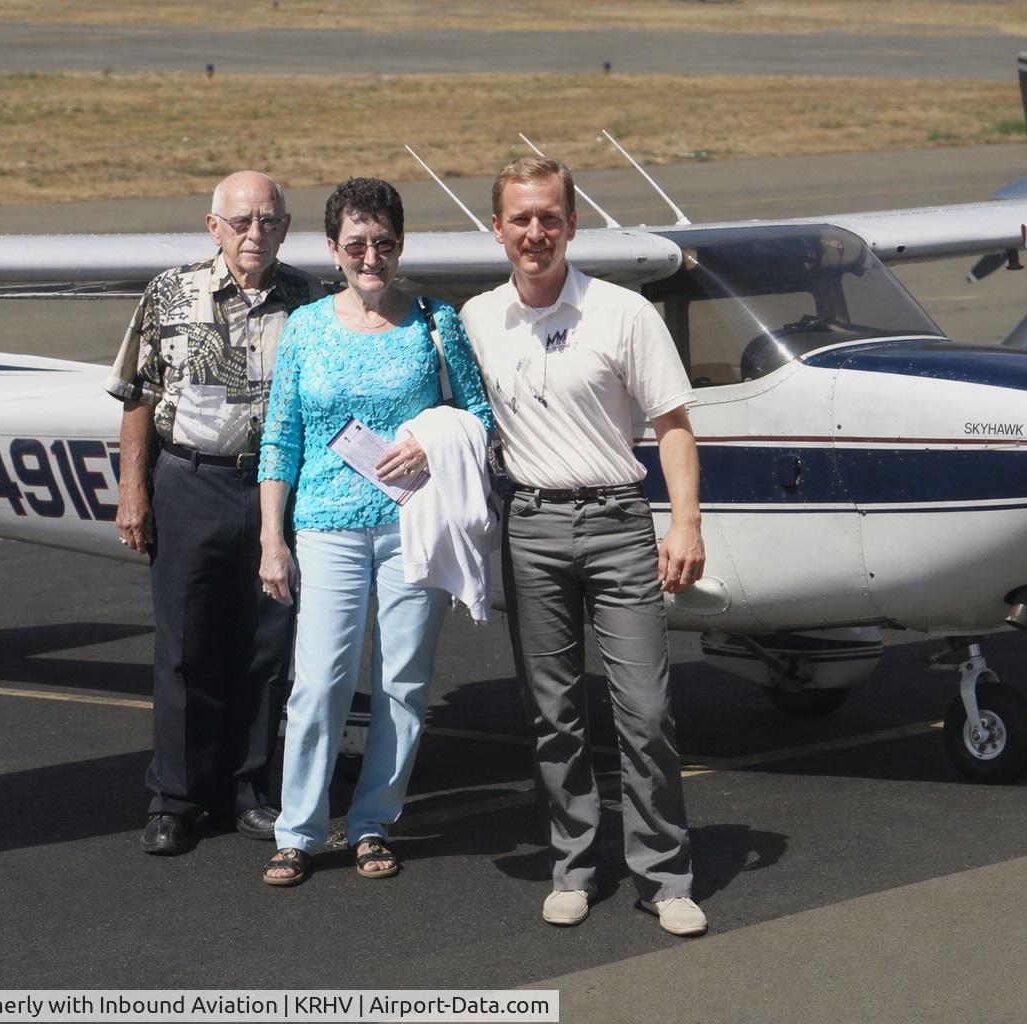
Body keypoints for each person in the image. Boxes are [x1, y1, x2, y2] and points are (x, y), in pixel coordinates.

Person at [459, 157, 709, 936]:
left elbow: (672, 426)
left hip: (617, 523)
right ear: (497, 228)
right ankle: (572, 863)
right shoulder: (475, 319)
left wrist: (686, 523)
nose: (535, 233)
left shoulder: (625, 312)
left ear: (572, 223)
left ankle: (664, 877)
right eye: (520, 219)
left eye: (549, 217)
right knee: (554, 713)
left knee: (645, 710)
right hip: (530, 527)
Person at [256, 177, 492, 886]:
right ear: (332, 249)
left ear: (400, 245)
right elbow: (281, 436)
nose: (371, 256)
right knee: (320, 682)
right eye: (356, 243)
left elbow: (481, 416)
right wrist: (272, 536)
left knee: (402, 683)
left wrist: (430, 439)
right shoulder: (305, 328)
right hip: (326, 527)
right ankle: (296, 829)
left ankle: (371, 823)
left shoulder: (433, 320)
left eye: (384, 242)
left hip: (412, 526)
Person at [106, 170, 326, 857]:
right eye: (240, 221)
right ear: (213, 227)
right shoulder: (169, 293)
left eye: (267, 221)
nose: (254, 234)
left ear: (286, 227)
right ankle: (176, 797)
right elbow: (136, 395)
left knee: (266, 646)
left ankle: (249, 791)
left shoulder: (311, 300)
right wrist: (133, 491)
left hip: (275, 493)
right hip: (190, 483)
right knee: (184, 648)